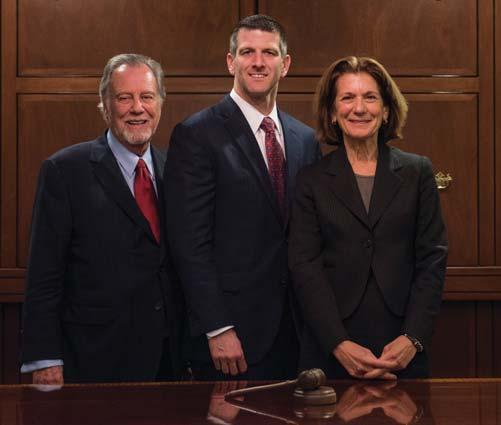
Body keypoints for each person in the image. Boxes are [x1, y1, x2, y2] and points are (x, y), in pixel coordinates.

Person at [165, 14, 320, 380]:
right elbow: (189, 243)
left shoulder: (305, 139)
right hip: (232, 337)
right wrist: (217, 326)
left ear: (285, 64)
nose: (258, 62)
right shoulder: (197, 135)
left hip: (297, 332)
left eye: (269, 53)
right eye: (247, 52)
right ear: (231, 62)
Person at [21, 53, 184, 384]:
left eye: (147, 97)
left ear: (160, 104)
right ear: (105, 106)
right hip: (94, 357)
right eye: (124, 98)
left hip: (170, 358)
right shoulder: (65, 171)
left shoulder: (176, 170)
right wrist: (44, 358)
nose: (137, 108)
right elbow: (44, 273)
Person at [288, 56, 448, 379]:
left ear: (386, 110)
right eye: (347, 97)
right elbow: (305, 267)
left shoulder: (417, 172)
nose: (359, 108)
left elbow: (432, 260)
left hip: (402, 349)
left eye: (370, 97)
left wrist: (412, 338)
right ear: (332, 113)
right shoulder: (310, 180)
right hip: (331, 351)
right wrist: (338, 343)